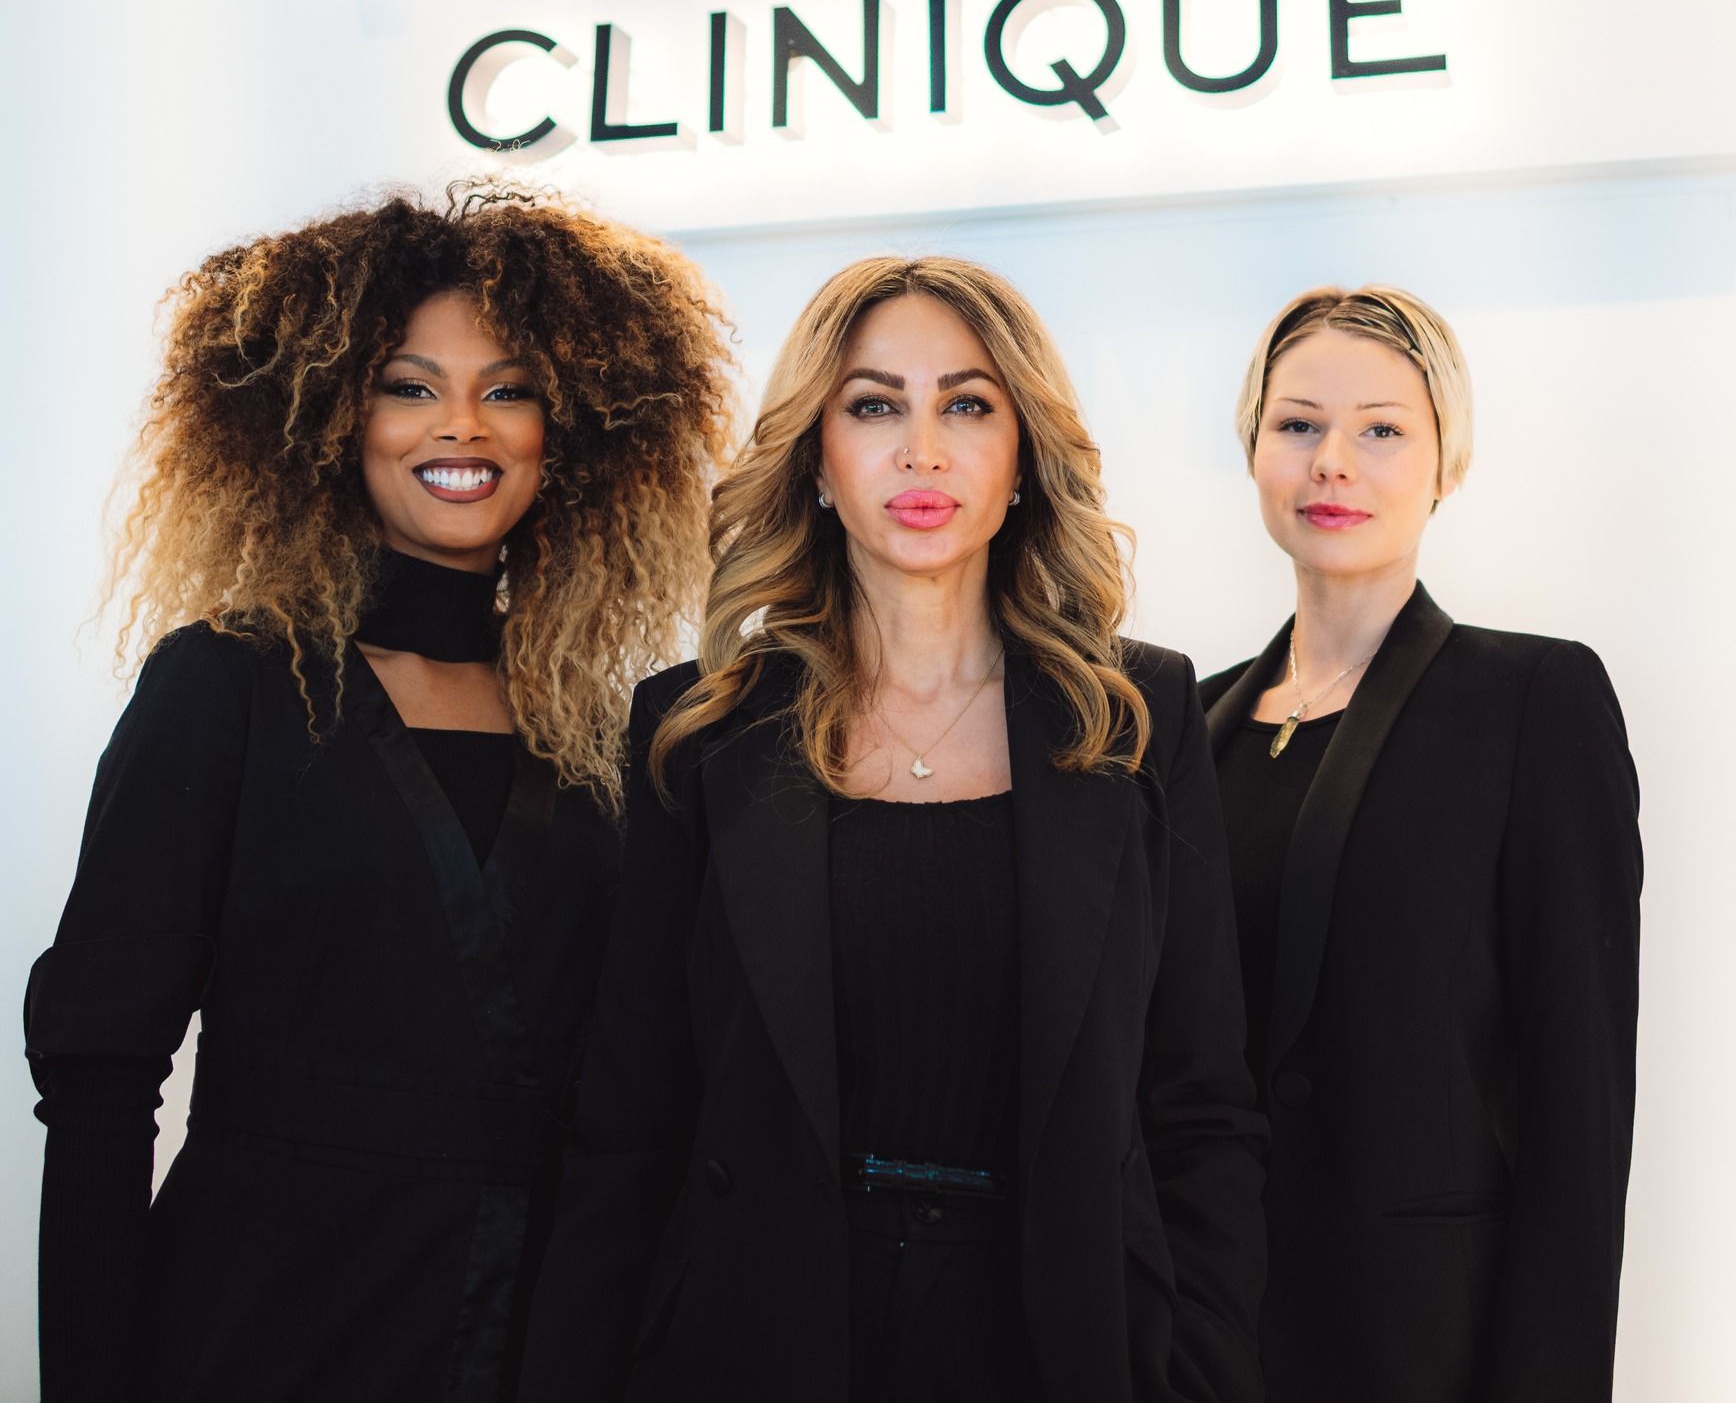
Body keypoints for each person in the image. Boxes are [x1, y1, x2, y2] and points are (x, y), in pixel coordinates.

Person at [25, 182, 733, 1403]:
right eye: (409, 385)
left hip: (537, 1339)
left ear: (571, 429)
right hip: (261, 1331)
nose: (461, 426)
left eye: (507, 387)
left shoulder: (605, 731)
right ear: (323, 419)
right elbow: (97, 1084)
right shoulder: (226, 686)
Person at [520, 255, 1265, 1403]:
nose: (922, 449)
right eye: (874, 405)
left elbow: (1199, 1098)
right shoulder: (697, 727)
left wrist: (1197, 1370)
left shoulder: (1134, 711)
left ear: (1020, 455)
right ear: (816, 456)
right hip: (763, 1334)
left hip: (1057, 1336)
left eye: (966, 404)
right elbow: (628, 1117)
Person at [1202, 285, 1641, 1403]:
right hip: (1199, 1340)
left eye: (1381, 428)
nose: (1331, 461)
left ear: (1446, 461)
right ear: (1251, 447)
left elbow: (1575, 1105)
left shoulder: (1529, 700)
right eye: (1296, 423)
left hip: (1416, 1348)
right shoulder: (1176, 726)